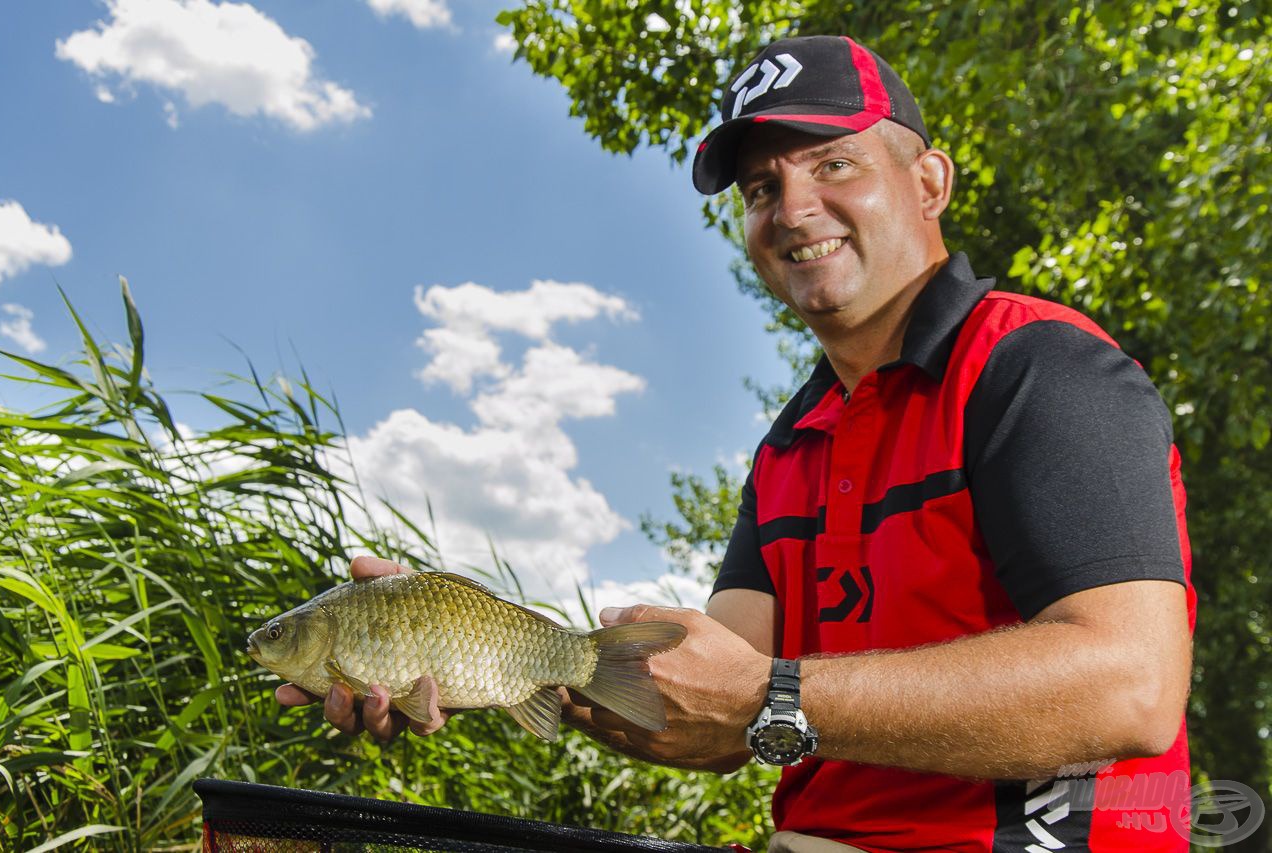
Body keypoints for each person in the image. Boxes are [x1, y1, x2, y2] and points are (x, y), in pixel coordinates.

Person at [278, 35, 1196, 852]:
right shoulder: (789, 446)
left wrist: (773, 696)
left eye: (833, 164)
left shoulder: (1037, 365)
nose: (794, 207)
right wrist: (488, 652)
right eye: (764, 187)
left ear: (929, 182)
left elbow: (1132, 687)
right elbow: (716, 718)